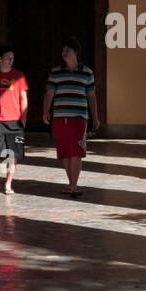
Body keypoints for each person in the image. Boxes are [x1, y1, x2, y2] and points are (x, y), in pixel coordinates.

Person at [42, 36, 99, 197]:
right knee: (64, 152)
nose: (64, 53)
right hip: (60, 117)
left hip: (79, 117)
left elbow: (92, 96)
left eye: (67, 50)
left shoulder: (87, 72)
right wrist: (45, 111)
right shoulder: (56, 72)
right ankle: (71, 184)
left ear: (75, 52)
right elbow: (49, 93)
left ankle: (74, 186)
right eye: (63, 50)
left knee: (76, 151)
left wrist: (95, 117)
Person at [0, 44, 28, 197]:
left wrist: (24, 118)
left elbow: (23, 98)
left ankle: (8, 184)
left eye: (12, 58)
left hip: (15, 121)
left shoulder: (19, 76)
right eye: (7, 58)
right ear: (0, 59)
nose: (10, 60)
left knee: (12, 155)